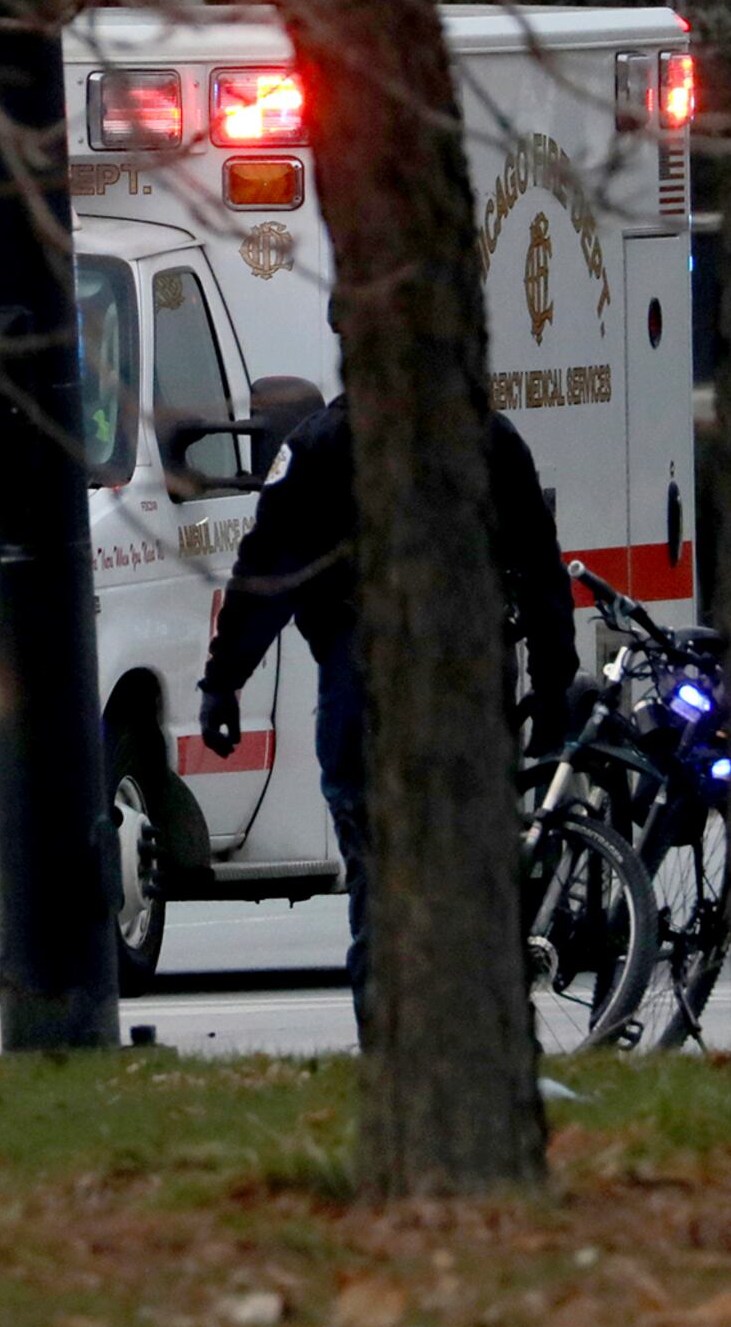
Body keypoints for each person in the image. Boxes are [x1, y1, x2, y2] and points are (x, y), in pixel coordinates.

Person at [194, 382, 577, 1034]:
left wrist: (223, 681)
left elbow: (267, 571)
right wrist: (552, 690)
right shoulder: (486, 438)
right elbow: (540, 572)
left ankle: (392, 1050)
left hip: (363, 688)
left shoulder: (321, 444)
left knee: (378, 888)